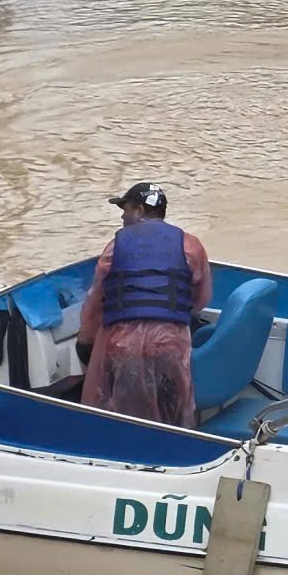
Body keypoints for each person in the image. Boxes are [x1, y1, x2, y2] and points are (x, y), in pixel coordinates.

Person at [77, 181, 211, 427]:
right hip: (172, 343)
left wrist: (84, 341)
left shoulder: (115, 247)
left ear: (139, 211)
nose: (122, 215)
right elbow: (201, 299)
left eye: (125, 209)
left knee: (130, 420)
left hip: (123, 345)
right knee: (174, 413)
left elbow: (95, 301)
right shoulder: (191, 245)